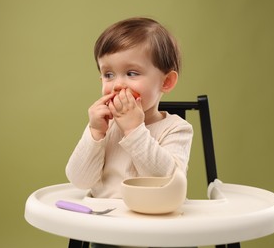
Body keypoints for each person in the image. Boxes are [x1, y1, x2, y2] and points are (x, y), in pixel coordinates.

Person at [66, 17, 193, 201]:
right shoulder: (105, 126)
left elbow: (168, 183)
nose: (117, 85)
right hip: (104, 220)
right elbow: (79, 181)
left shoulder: (177, 129)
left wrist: (133, 130)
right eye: (108, 74)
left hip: (152, 222)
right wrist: (95, 132)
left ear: (166, 82)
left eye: (131, 73)